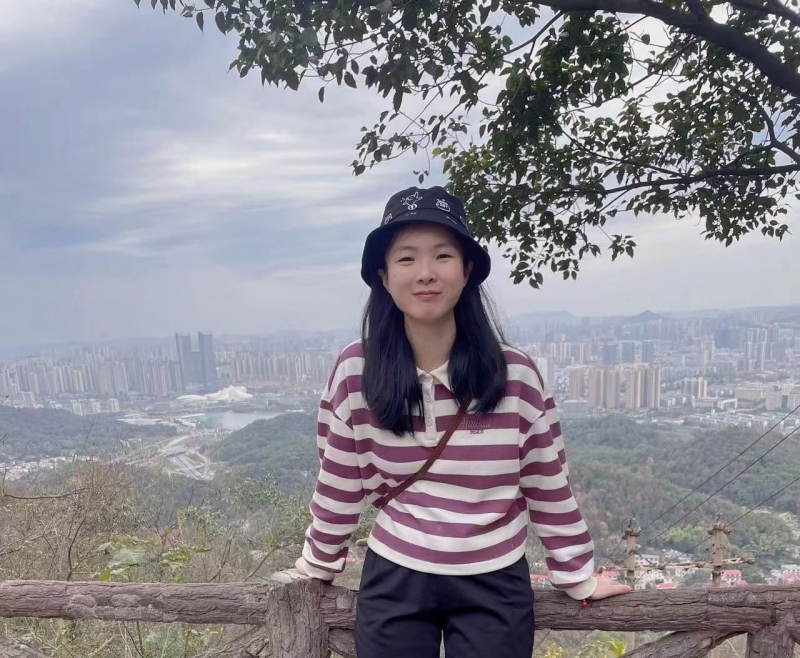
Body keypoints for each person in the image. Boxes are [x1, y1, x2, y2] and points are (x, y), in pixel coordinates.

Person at [290, 186, 630, 657]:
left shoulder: (513, 374)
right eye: (406, 258)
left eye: (443, 255)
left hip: (495, 579)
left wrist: (577, 575)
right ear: (383, 276)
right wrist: (319, 562)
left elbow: (546, 481)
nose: (426, 272)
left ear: (467, 270)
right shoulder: (357, 370)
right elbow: (339, 479)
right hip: (394, 573)